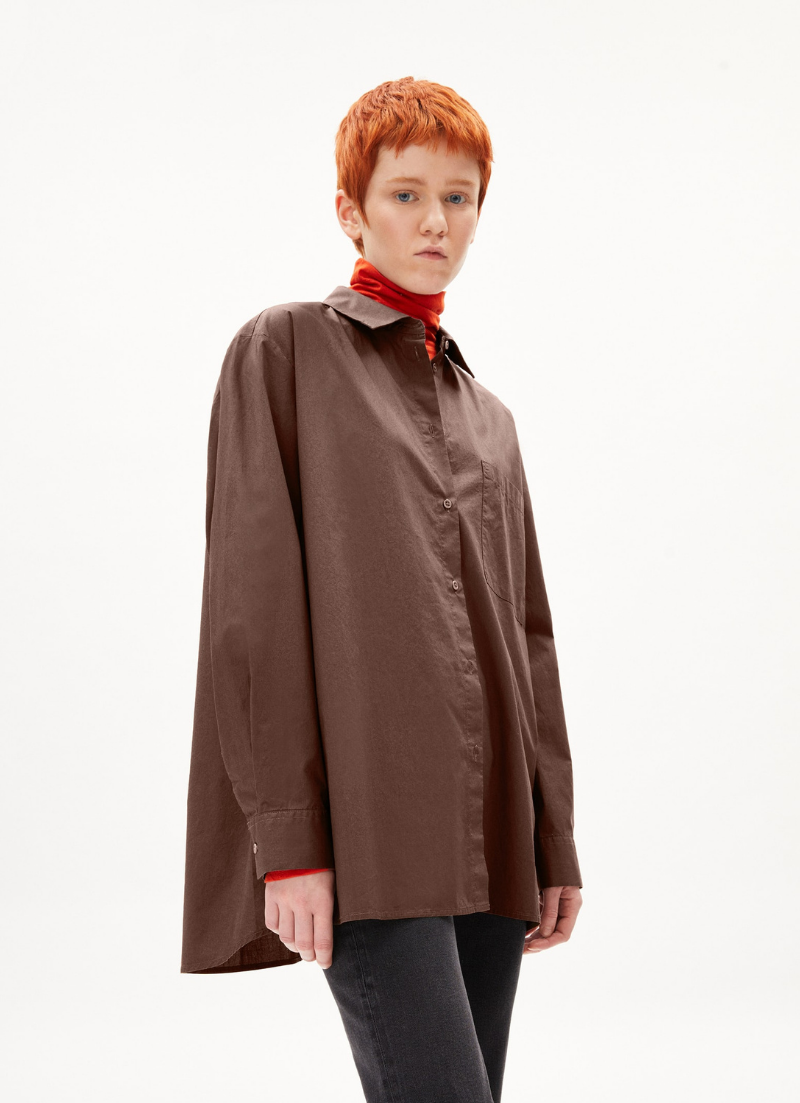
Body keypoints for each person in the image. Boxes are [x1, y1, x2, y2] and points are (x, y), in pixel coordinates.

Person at [181, 76, 583, 1103]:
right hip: (367, 826)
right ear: (350, 210)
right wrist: (287, 841)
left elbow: (527, 636)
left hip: (493, 833)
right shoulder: (284, 351)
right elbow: (251, 610)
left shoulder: (489, 416)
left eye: (458, 197)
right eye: (405, 194)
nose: (434, 220)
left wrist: (552, 840)